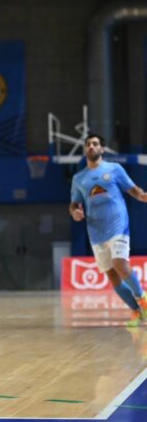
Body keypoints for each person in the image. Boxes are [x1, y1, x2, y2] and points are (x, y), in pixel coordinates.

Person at [69, 134, 147, 327]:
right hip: (96, 233)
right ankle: (137, 312)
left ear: (102, 149)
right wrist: (75, 212)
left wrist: (143, 196)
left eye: (95, 144)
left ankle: (143, 299)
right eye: (88, 144)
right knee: (112, 276)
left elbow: (133, 190)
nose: (91, 147)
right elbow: (74, 204)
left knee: (120, 264)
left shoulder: (114, 169)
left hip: (118, 226)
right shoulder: (79, 178)